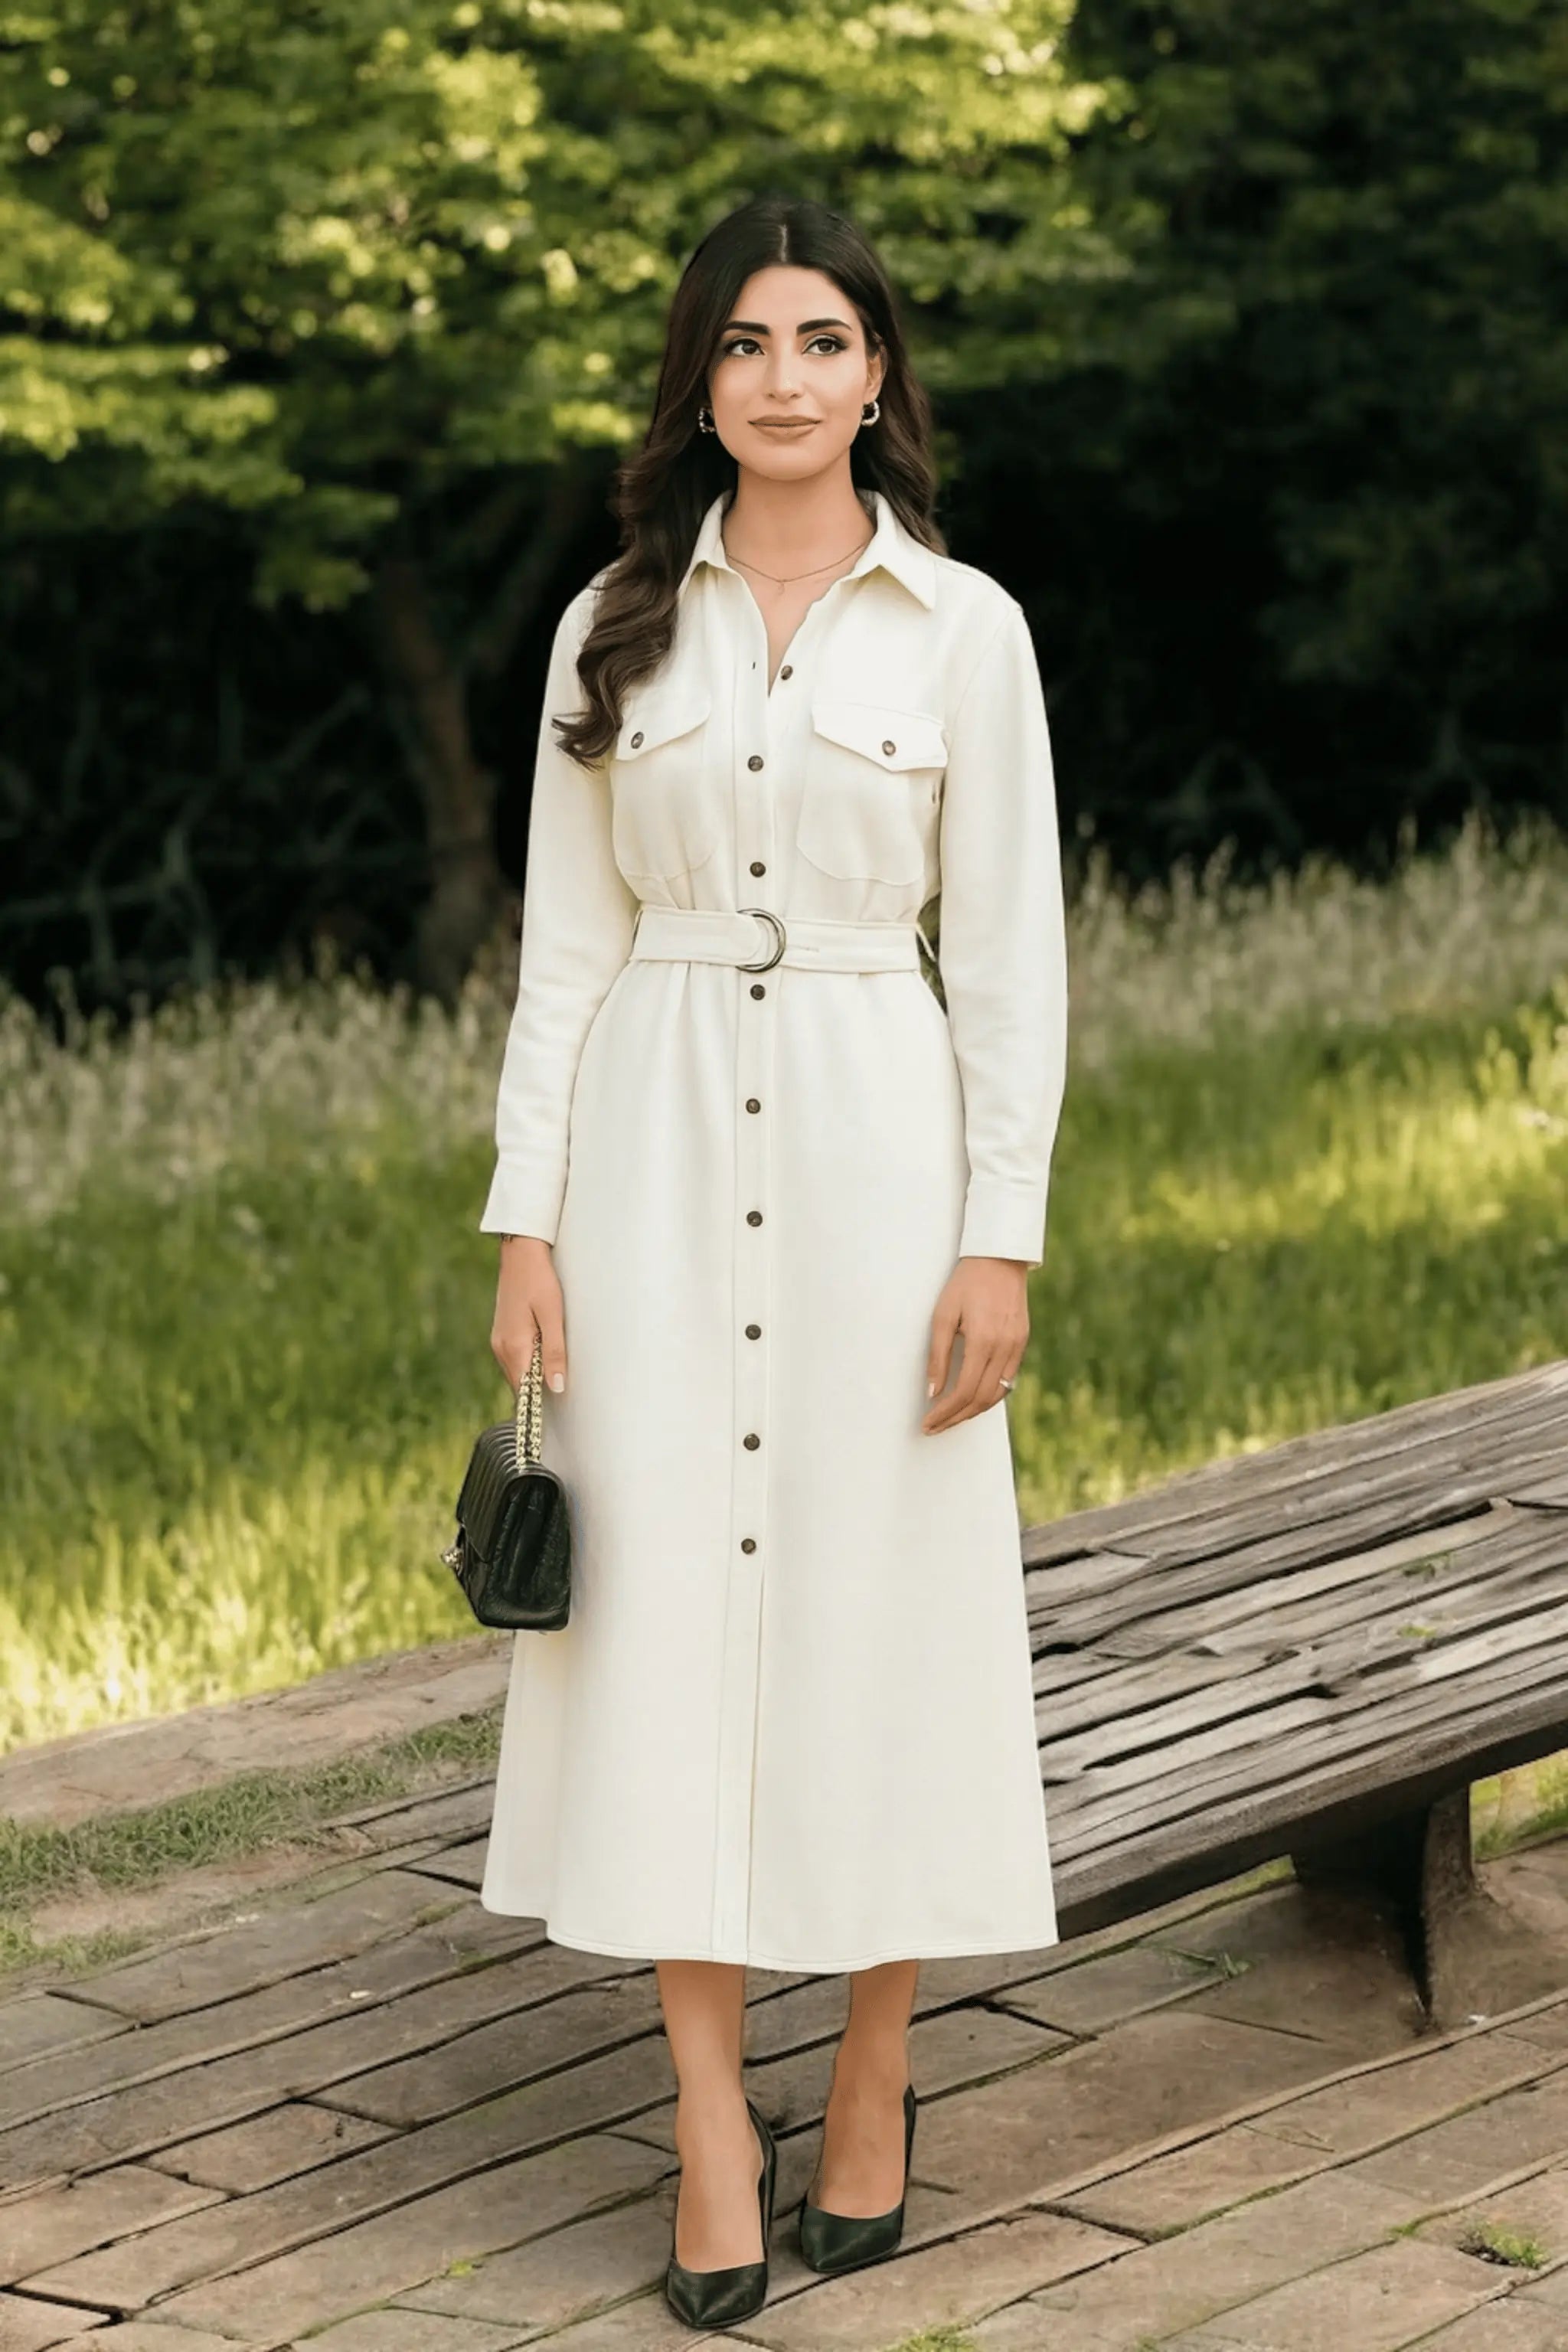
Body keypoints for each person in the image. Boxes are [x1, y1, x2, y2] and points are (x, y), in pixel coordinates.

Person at [475, 191, 1070, 2329]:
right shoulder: (612, 625)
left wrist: (999, 1237)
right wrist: (524, 1220)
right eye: (746, 344)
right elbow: (565, 953)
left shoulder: (962, 631)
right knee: (662, 1645)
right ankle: (710, 2117)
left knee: (879, 1609)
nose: (787, 378)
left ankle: (879, 2070)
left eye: (825, 339)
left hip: (878, 1146)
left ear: (878, 375)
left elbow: (1009, 971)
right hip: (643, 1153)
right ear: (700, 381)